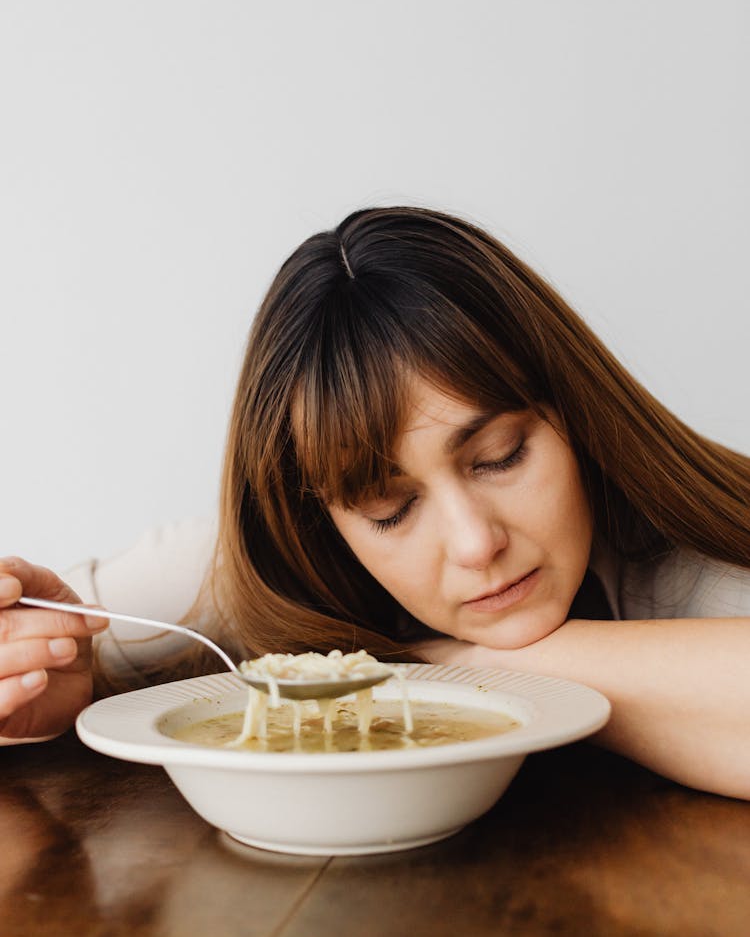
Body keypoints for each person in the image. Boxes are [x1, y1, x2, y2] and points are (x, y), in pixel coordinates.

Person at [2, 206, 749, 797]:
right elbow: (50, 635)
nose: (473, 543)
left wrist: (441, 664)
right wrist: (65, 683)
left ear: (576, 413)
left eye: (501, 457)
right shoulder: (256, 566)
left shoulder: (693, 565)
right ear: (319, 516)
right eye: (389, 509)